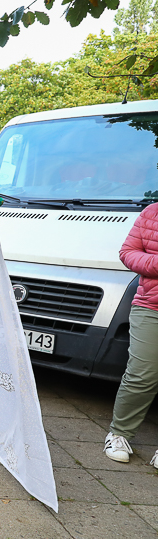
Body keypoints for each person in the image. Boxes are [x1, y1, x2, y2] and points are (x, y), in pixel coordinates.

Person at [104, 201, 158, 469]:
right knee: (142, 373)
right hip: (151, 306)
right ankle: (119, 434)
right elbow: (128, 252)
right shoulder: (152, 212)